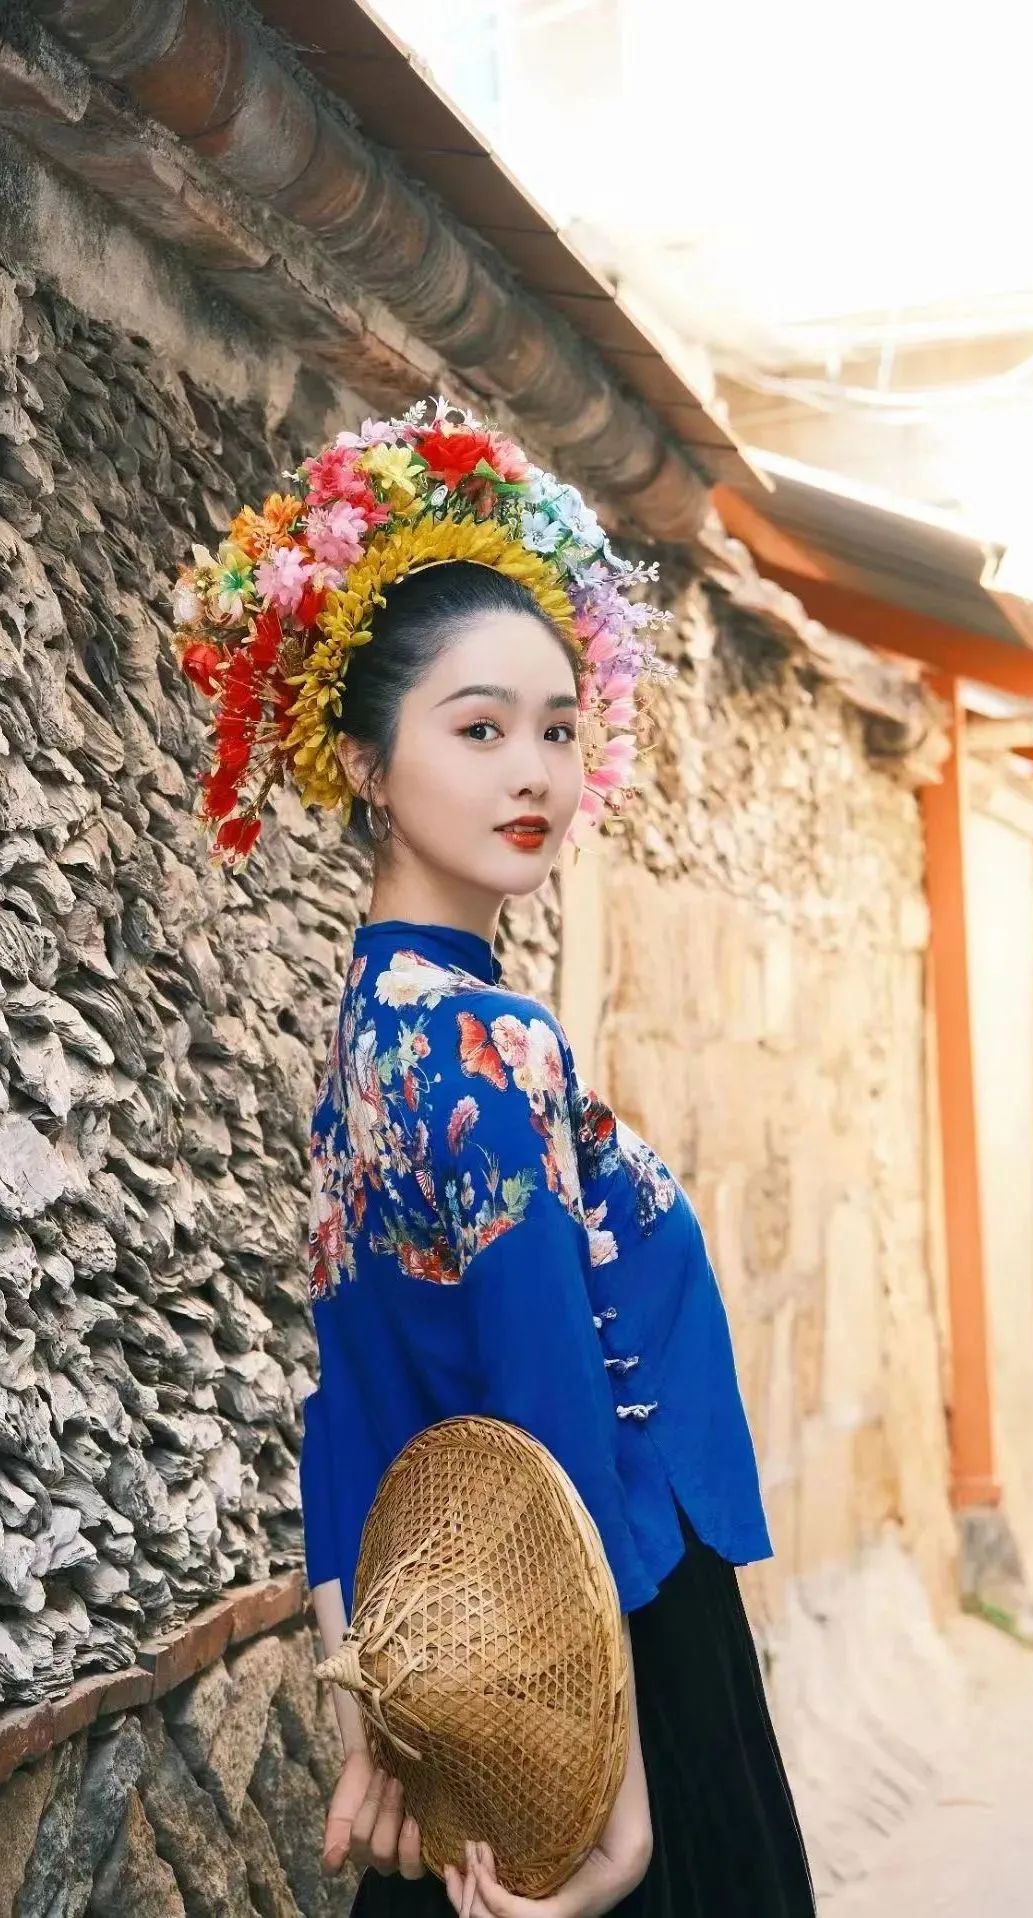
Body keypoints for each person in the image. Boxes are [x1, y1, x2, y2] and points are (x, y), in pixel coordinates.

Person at [172, 402, 816, 1917]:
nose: (533, 770)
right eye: (478, 728)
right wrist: (617, 1811)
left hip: (461, 1694)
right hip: (605, 1651)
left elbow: (345, 1405)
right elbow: (550, 1390)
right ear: (364, 761)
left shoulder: (369, 1036)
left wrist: (362, 1700)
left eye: (557, 727)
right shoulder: (485, 1042)